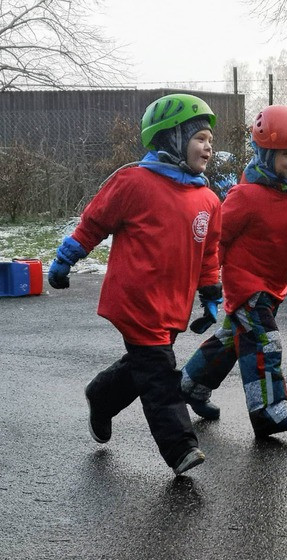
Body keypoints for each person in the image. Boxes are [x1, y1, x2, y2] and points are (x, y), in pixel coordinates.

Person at [47, 93, 222, 476]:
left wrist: (210, 293)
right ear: (171, 138)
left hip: (172, 306)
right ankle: (181, 448)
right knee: (159, 375)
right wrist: (65, 259)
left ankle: (101, 395)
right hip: (136, 301)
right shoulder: (134, 182)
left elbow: (209, 252)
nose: (208, 146)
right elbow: (93, 223)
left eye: (210, 139)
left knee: (144, 366)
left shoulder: (208, 199)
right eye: (199, 138)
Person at [179, 105, 287, 437]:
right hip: (246, 284)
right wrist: (208, 279)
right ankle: (267, 410)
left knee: (231, 341)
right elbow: (218, 239)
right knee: (265, 340)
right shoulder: (246, 196)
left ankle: (189, 386)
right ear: (266, 156)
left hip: (274, 284)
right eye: (286, 154)